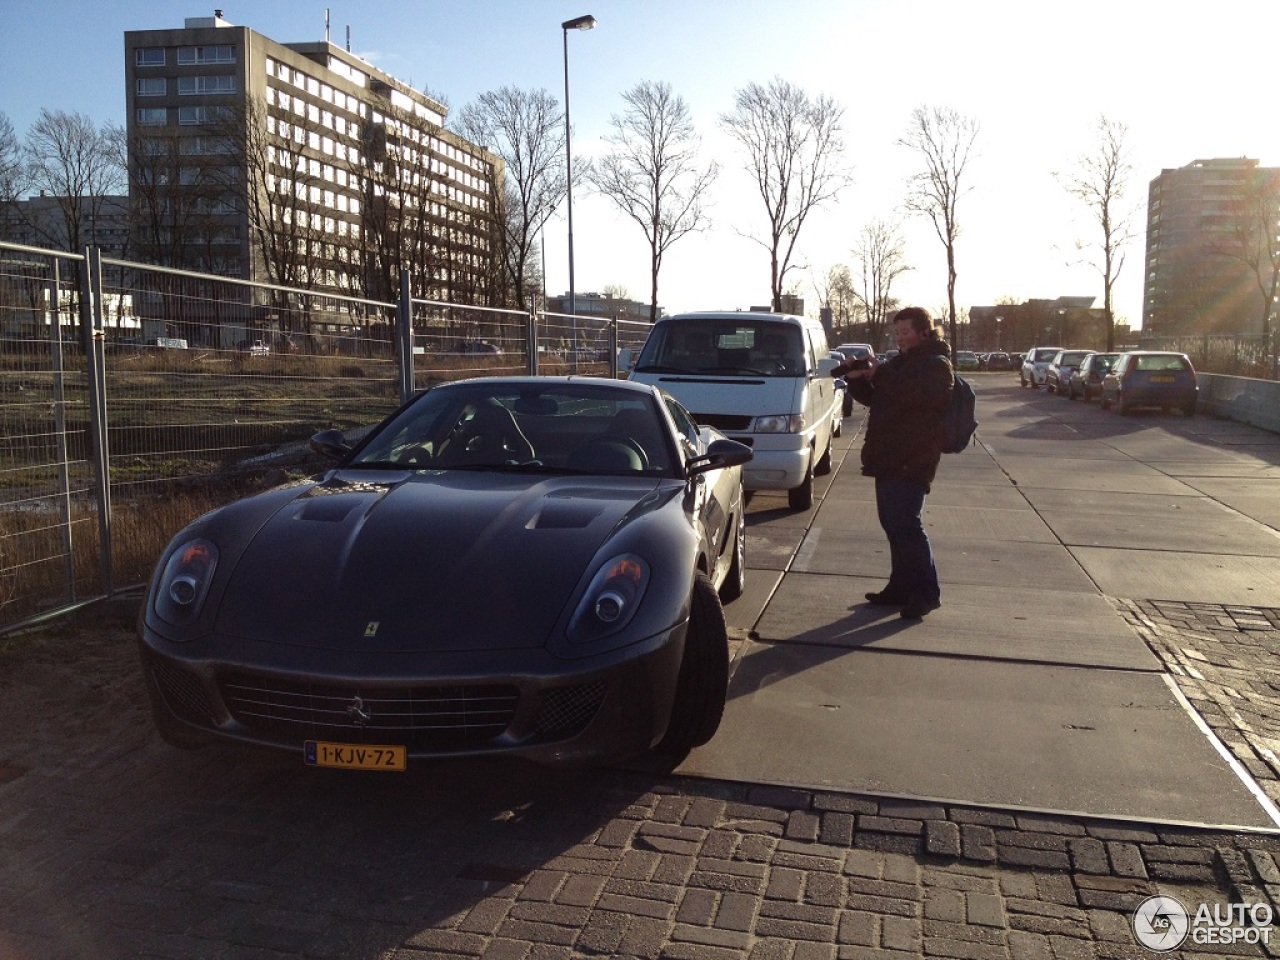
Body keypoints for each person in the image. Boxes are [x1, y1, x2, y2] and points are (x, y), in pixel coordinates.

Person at [833, 307, 954, 620]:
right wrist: (859, 380)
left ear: (924, 332)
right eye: (896, 332)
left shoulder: (937, 364)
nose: (898, 338)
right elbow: (880, 399)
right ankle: (900, 587)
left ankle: (928, 593)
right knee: (893, 524)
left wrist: (882, 373)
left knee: (908, 525)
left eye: (904, 332)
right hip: (889, 457)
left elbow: (923, 398)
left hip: (913, 458)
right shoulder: (901, 363)